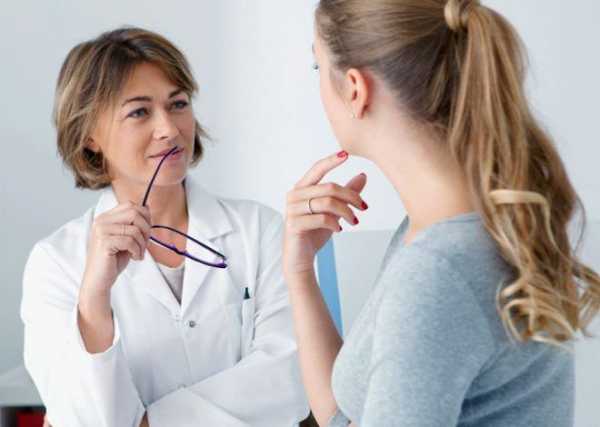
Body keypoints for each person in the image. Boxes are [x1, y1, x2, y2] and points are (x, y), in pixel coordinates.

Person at [282, 1, 600, 426]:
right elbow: (345, 417)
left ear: (355, 89)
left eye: (318, 67)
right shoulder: (443, 231)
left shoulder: (438, 270)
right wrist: (300, 271)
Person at [21, 27, 308, 427]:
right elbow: (80, 416)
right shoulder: (56, 263)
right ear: (89, 137)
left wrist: (150, 423)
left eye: (178, 104)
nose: (170, 129)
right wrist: (94, 299)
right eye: (139, 112)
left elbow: (292, 377)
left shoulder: (259, 231)